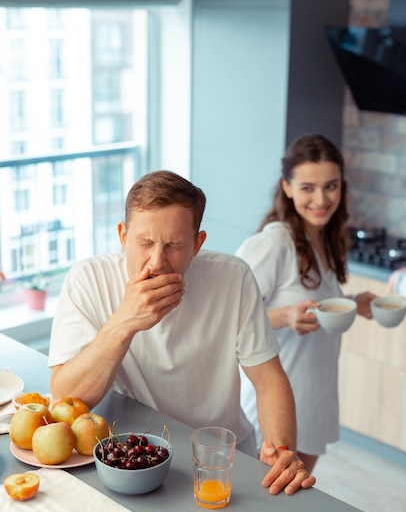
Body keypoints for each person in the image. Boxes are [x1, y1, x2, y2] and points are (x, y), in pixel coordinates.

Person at [48, 169, 315, 495]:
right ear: (122, 236)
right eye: (144, 243)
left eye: (174, 245)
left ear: (197, 244)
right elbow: (66, 396)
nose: (157, 262)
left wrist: (282, 452)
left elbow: (269, 379)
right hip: (133, 456)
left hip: (222, 456)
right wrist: (125, 322)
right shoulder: (88, 279)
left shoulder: (233, 278)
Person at [236, 134, 376, 474]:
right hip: (273, 407)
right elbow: (228, 316)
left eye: (331, 186)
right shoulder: (275, 243)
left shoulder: (326, 238)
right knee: (264, 502)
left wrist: (353, 303)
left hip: (315, 395)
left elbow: (315, 303)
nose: (321, 199)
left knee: (290, 502)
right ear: (287, 187)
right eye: (308, 188)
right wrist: (285, 317)